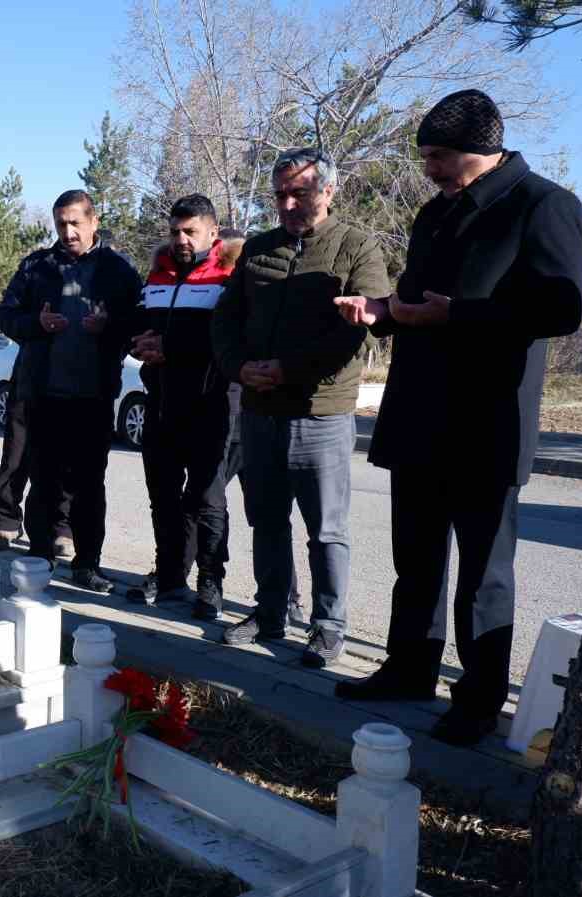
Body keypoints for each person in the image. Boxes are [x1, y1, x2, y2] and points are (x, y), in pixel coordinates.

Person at [332, 89, 582, 746]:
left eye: (439, 157)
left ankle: (477, 700)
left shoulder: (542, 204)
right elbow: (421, 299)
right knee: (415, 558)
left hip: (486, 424)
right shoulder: (433, 216)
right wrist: (384, 311)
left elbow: (562, 309)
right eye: (426, 158)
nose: (430, 170)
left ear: (479, 150)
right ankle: (409, 667)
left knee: (483, 572)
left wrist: (458, 316)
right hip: (418, 414)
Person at [211, 148, 390, 668]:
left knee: (326, 530)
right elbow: (226, 319)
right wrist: (238, 368)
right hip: (259, 412)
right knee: (266, 520)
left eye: (301, 193)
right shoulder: (258, 249)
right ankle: (270, 613)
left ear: (328, 191)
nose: (289, 203)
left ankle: (327, 627)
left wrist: (292, 371)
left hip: (321, 415)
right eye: (280, 194)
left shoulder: (357, 247)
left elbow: (361, 330)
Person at [0, 190, 141, 594]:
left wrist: (108, 328)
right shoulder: (37, 265)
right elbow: (6, 315)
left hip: (93, 396)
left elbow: (139, 323)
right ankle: (39, 558)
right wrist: (36, 324)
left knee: (89, 484)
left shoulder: (117, 270)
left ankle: (87, 564)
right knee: (43, 480)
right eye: (61, 223)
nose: (68, 231)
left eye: (76, 222)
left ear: (94, 221)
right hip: (43, 394)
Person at [125, 197, 242, 620]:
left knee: (206, 499)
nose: (181, 239)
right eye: (176, 231)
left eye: (190, 231)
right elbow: (135, 327)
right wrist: (137, 344)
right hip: (160, 404)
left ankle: (210, 581)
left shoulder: (230, 277)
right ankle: (170, 573)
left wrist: (169, 347)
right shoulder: (156, 275)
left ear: (214, 232)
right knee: (163, 497)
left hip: (212, 405)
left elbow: (229, 340)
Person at [0, 350, 74, 553]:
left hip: (74, 385)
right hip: (30, 379)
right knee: (15, 457)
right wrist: (37, 322)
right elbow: (10, 319)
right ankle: (7, 522)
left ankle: (63, 528)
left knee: (65, 464)